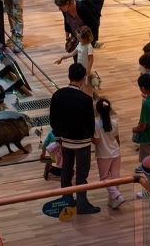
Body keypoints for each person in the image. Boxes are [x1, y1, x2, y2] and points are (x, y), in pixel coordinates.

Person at [50, 62, 100, 215]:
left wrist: (59, 137)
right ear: (83, 78)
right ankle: (82, 205)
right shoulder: (85, 99)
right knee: (81, 174)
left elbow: (53, 119)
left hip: (65, 141)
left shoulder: (57, 95)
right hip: (83, 142)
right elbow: (90, 122)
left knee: (66, 171)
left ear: (69, 76)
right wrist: (93, 136)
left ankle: (67, 199)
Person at [92, 98, 126, 210]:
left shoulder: (96, 125)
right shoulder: (115, 123)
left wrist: (90, 137)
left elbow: (96, 142)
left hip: (103, 155)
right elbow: (117, 139)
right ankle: (113, 201)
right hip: (116, 153)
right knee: (115, 178)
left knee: (104, 178)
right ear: (110, 109)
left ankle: (117, 196)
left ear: (97, 111)